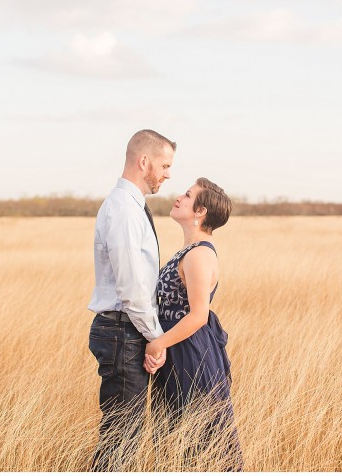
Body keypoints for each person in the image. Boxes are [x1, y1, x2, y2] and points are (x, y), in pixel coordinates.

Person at [87, 129, 176, 471]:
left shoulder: (132, 206)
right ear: (144, 161)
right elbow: (131, 288)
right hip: (123, 332)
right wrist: (156, 337)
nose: (168, 174)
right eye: (165, 165)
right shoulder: (124, 209)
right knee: (121, 440)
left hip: (126, 331)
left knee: (124, 436)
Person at [144, 177, 243, 471]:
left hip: (190, 354)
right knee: (177, 439)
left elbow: (198, 314)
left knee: (200, 439)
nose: (179, 197)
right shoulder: (190, 249)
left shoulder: (199, 254)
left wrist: (158, 343)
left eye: (187, 196)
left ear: (200, 212)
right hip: (179, 349)